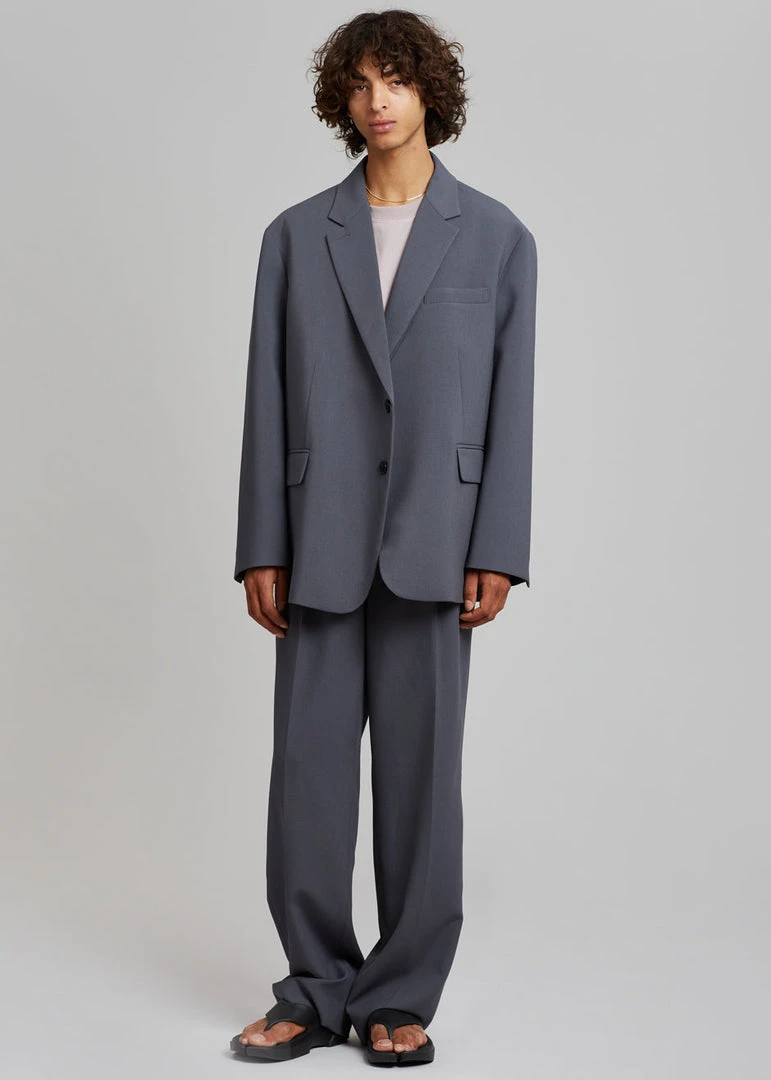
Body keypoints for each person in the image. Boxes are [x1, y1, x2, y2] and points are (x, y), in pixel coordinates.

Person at [230, 9, 538, 1067]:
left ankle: (399, 995)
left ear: (428, 92)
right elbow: (266, 397)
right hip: (316, 539)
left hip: (437, 545)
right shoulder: (293, 236)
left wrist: (496, 546)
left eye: (395, 80)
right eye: (359, 83)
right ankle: (314, 989)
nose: (377, 101)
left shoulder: (495, 237)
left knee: (421, 786)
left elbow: (510, 404)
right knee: (307, 783)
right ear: (341, 100)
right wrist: (260, 543)